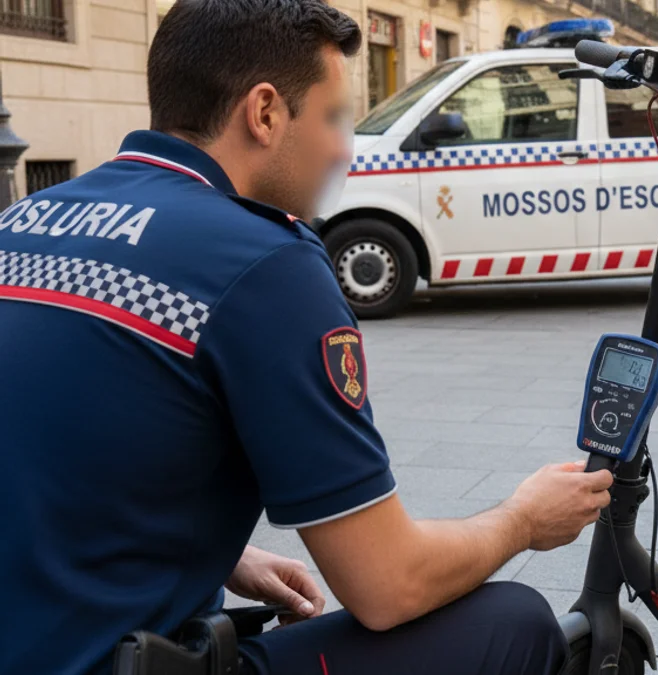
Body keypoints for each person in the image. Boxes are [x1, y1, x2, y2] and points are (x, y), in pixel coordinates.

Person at [0, 1, 613, 673]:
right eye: (332, 117)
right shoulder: (262, 260)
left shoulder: (25, 220)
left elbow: (59, 440)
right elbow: (388, 584)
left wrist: (225, 553)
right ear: (264, 113)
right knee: (514, 621)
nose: (344, 147)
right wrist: (524, 519)